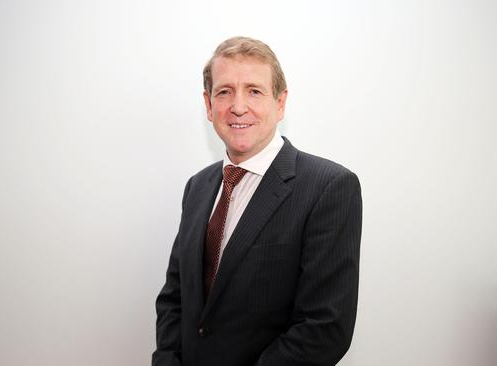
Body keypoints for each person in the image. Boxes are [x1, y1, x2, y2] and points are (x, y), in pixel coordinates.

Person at [152, 36, 362, 366]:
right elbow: (174, 298)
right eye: (224, 92)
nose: (238, 106)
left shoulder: (329, 187)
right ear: (209, 105)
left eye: (254, 90)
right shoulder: (198, 187)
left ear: (280, 103)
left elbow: (324, 329)